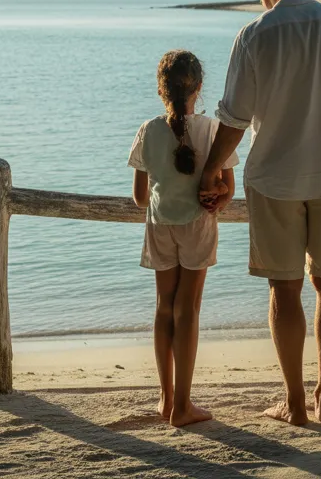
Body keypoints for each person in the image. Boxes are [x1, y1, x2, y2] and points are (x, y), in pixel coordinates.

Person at [200, 0, 321, 426]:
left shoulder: (255, 34)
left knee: (285, 288)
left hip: (274, 179)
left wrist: (212, 170)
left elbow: (233, 120)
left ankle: (295, 402)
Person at [129, 49, 238, 427]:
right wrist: (215, 198)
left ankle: (166, 398)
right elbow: (229, 188)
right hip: (197, 224)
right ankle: (184, 406)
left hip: (160, 225)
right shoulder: (212, 130)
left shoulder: (148, 130)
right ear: (200, 88)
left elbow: (141, 198)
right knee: (187, 309)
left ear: (161, 88)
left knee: (164, 307)